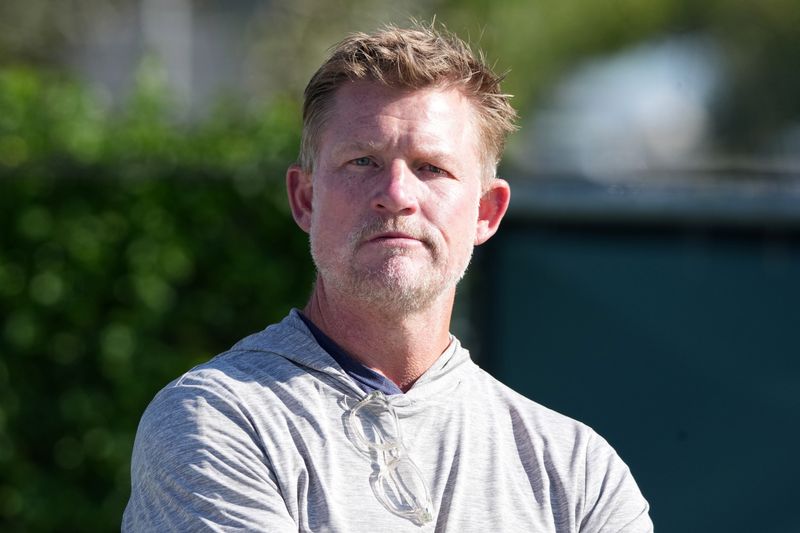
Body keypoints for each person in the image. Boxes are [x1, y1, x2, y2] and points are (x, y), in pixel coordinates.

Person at [123, 23, 653, 532]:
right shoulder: (219, 422)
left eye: (431, 168)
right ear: (305, 199)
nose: (397, 194)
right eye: (362, 162)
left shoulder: (579, 474)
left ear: (486, 213)